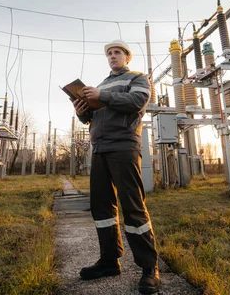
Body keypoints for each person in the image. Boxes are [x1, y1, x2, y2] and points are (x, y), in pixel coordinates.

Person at [73, 39, 160, 294]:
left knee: (133, 206)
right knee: (102, 208)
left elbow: (136, 103)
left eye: (117, 52)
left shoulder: (138, 78)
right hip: (99, 148)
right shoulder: (99, 86)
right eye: (109, 53)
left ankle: (149, 267)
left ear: (127, 57)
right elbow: (92, 117)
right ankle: (109, 261)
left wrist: (102, 96)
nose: (113, 56)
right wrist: (81, 110)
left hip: (123, 146)